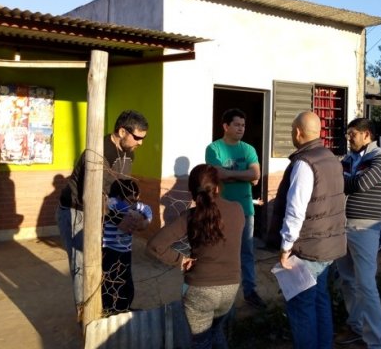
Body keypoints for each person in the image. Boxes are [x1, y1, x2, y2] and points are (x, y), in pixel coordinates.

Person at [56, 110, 148, 322]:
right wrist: (119, 219)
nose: (140, 143)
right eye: (138, 137)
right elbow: (94, 194)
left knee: (107, 259)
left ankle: (111, 307)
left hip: (105, 211)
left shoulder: (128, 152)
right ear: (122, 131)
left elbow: (120, 189)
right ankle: (86, 317)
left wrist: (133, 211)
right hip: (77, 211)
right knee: (82, 263)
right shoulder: (97, 152)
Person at [146, 164, 244, 348]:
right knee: (216, 332)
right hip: (231, 286)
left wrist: (180, 260)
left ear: (192, 191)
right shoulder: (238, 210)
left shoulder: (190, 217)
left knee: (201, 342)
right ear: (217, 187)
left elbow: (154, 246)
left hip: (200, 288)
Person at [274, 111, 346, 349]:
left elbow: (296, 210)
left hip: (307, 248)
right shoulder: (331, 158)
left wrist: (285, 247)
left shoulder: (305, 163)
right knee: (320, 301)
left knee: (302, 306)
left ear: (297, 132)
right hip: (328, 245)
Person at [334, 118, 381, 348]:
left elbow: (359, 185)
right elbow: (343, 182)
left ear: (367, 134)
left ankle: (376, 342)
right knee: (347, 281)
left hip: (366, 228)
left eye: (353, 134)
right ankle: (357, 325)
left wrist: (343, 179)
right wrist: (345, 179)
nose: (349, 138)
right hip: (343, 225)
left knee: (366, 284)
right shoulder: (349, 159)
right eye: (348, 134)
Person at [205, 108, 264, 309]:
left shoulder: (248, 149)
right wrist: (244, 174)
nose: (241, 128)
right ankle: (222, 294)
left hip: (246, 208)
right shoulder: (213, 149)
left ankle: (250, 291)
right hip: (222, 209)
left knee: (247, 252)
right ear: (226, 126)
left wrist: (230, 174)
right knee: (222, 251)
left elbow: (256, 174)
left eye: (243, 125)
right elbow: (217, 175)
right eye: (237, 125)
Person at [102, 178, 152, 316]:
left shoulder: (131, 204)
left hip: (125, 250)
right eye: (131, 199)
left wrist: (145, 219)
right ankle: (107, 309)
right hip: (110, 250)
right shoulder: (111, 203)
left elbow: (147, 209)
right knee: (109, 281)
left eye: (136, 199)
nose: (135, 202)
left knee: (126, 283)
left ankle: (123, 309)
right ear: (119, 196)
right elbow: (115, 205)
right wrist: (133, 212)